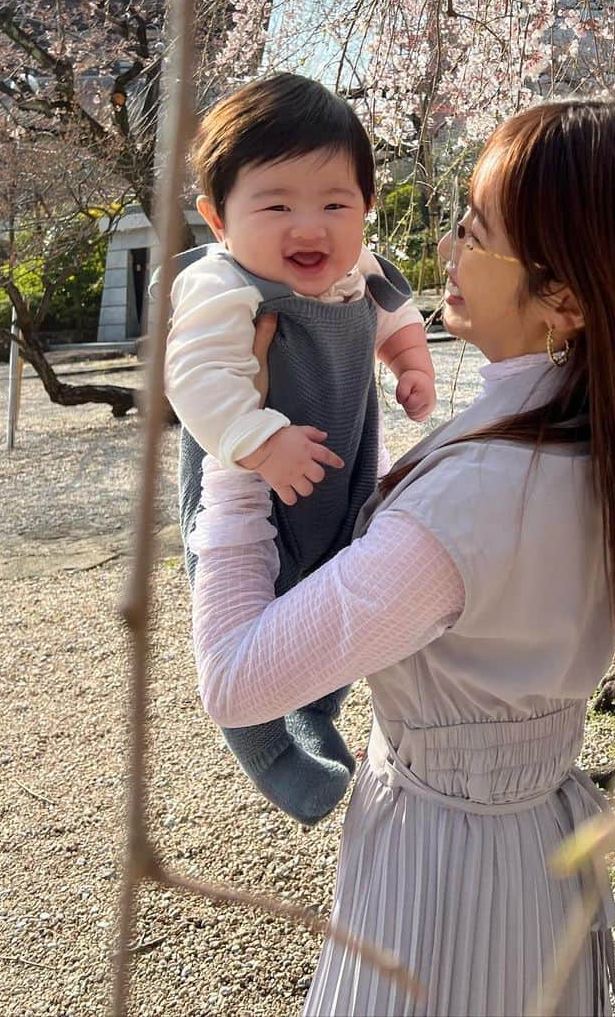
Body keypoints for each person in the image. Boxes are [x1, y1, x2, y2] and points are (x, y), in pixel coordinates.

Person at [188, 99, 615, 1015]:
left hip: (441, 872)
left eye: (474, 230)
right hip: (536, 841)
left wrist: (234, 450)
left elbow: (238, 679)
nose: (446, 246)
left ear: (564, 299)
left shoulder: (479, 494)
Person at [166, 73, 436, 825]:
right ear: (218, 219)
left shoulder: (360, 272)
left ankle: (314, 711)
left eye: (334, 203)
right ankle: (264, 748)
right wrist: (260, 441)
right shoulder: (223, 285)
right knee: (251, 598)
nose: (308, 227)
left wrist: (410, 363)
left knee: (325, 596)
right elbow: (195, 375)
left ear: (366, 207)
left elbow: (395, 313)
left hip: (342, 475)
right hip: (252, 478)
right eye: (276, 204)